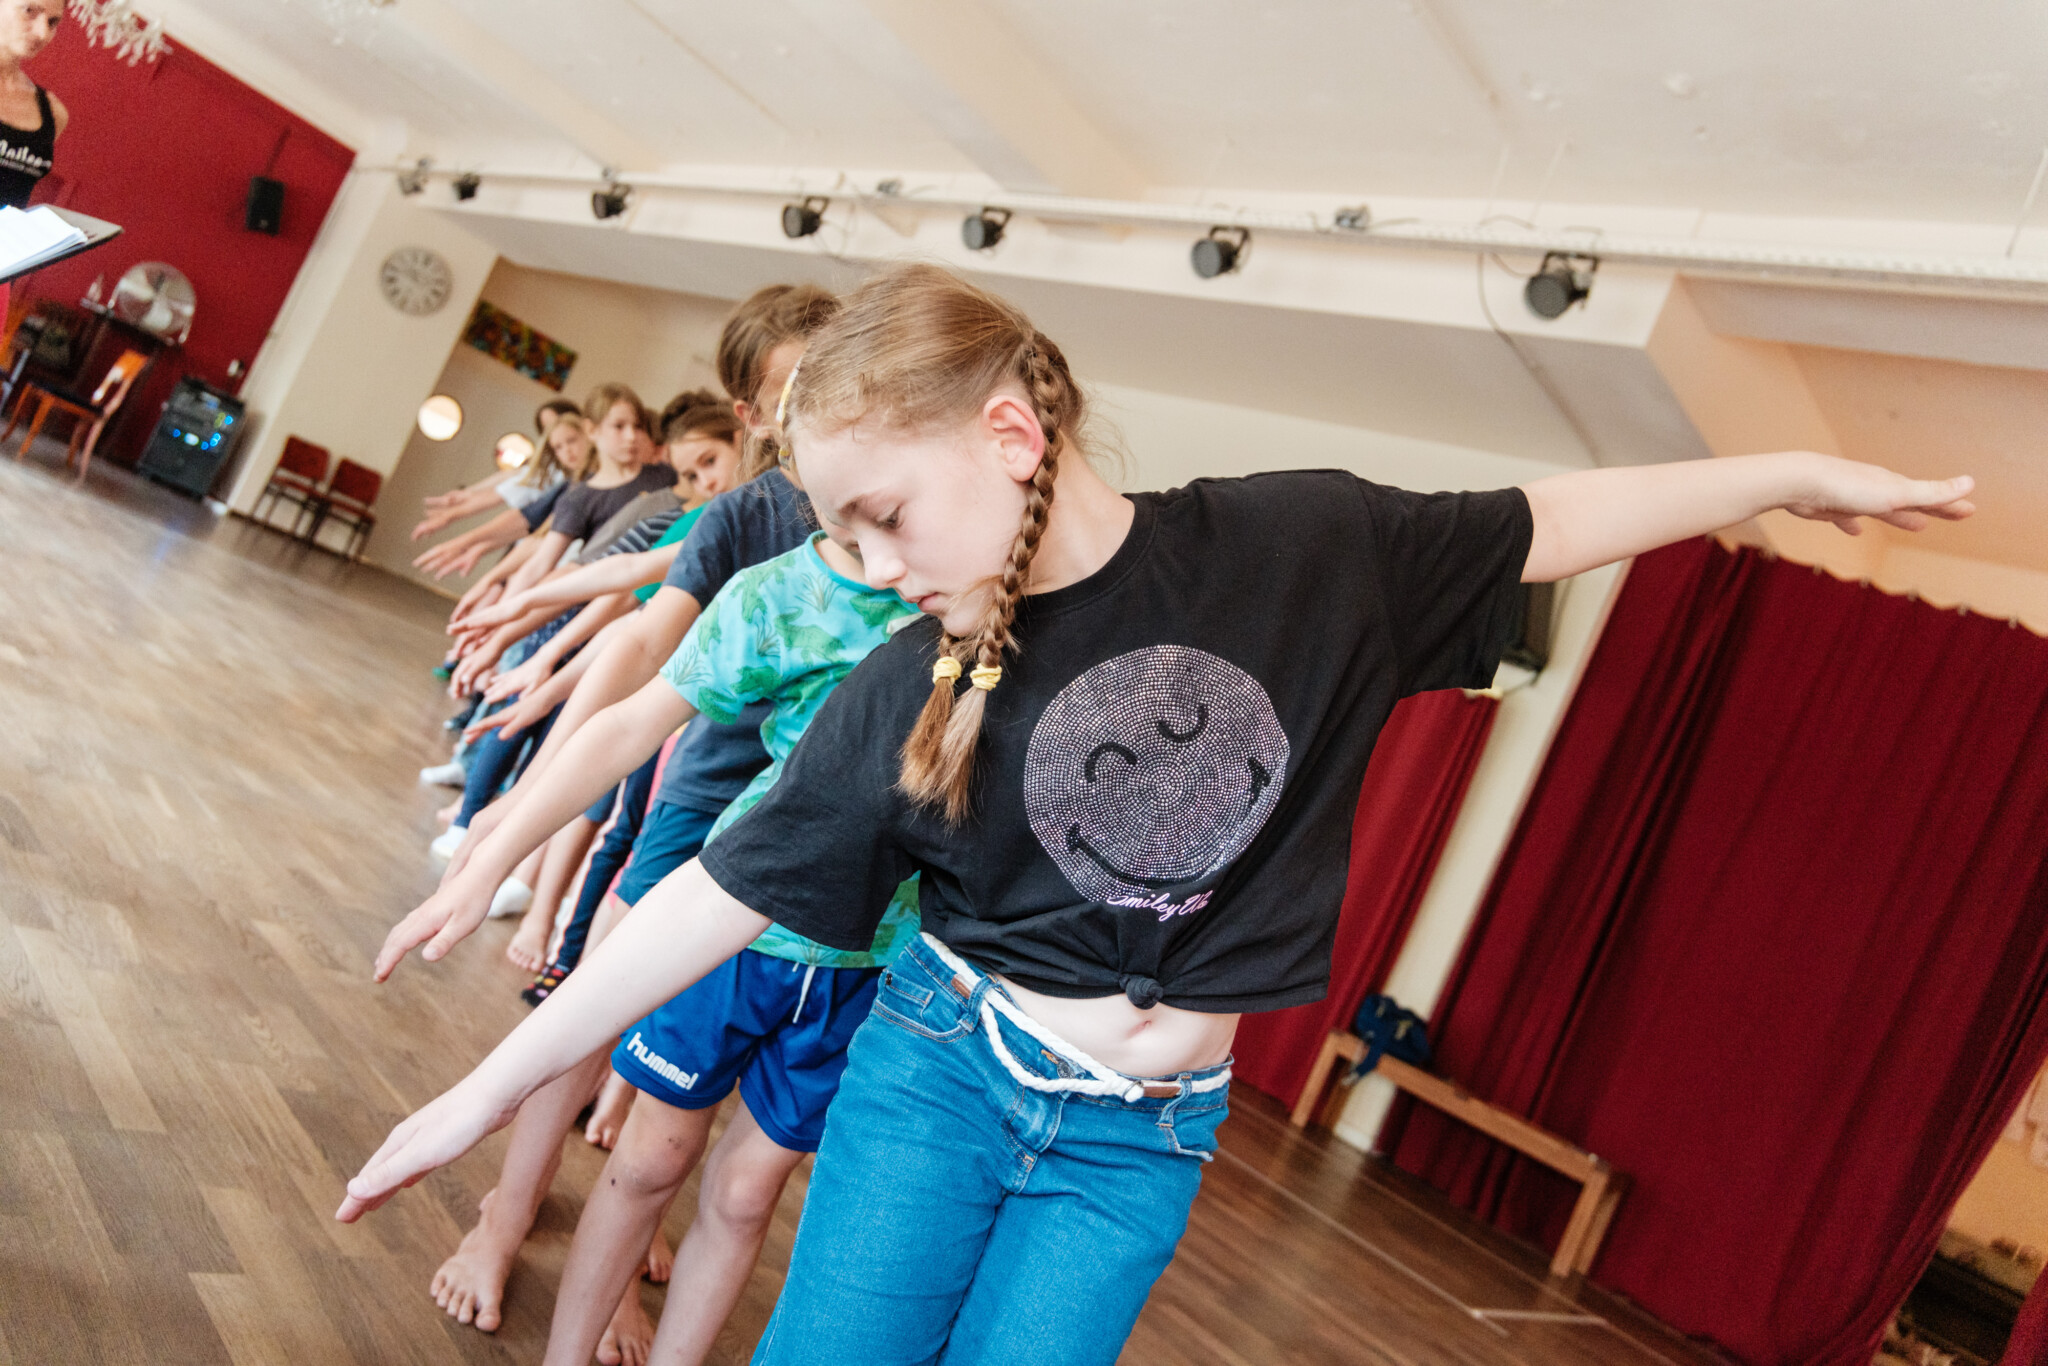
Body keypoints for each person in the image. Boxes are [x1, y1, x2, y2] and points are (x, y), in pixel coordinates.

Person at [346, 264, 1974, 1361]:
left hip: (1143, 1138)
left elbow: (1551, 516)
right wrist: (485, 1090)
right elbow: (720, 888)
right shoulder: (912, 671)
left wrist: (1787, 475)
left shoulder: (1299, 550)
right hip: (943, 1077)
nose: (879, 564)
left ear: (1009, 432)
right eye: (848, 533)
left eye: (887, 514)